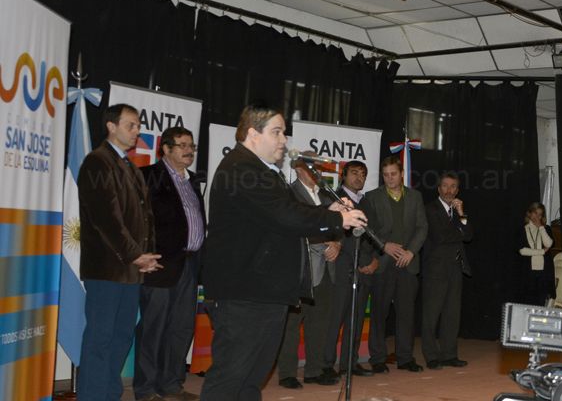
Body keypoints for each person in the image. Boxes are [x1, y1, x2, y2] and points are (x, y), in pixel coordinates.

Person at [199, 104, 367, 401]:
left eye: (284, 133)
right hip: (244, 292)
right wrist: (336, 219)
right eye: (276, 132)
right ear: (253, 133)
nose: (284, 140)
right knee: (230, 377)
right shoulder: (241, 168)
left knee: (252, 378)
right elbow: (284, 215)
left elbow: (289, 210)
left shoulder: (262, 171)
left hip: (263, 290)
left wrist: (328, 208)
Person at [77, 104, 161, 401]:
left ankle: (109, 394)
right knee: (100, 338)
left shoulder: (130, 166)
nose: (137, 131)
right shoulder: (97, 162)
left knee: (122, 336)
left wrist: (146, 256)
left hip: (130, 269)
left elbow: (144, 217)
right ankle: (92, 396)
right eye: (131, 125)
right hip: (106, 269)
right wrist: (135, 255)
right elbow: (106, 219)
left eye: (138, 125)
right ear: (111, 126)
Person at [134, 127, 206, 401]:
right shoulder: (148, 176)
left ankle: (172, 385)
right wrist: (143, 254)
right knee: (154, 327)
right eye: (182, 145)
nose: (189, 151)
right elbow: (136, 219)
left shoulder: (192, 181)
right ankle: (145, 389)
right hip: (160, 264)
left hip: (190, 263)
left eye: (191, 146)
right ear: (165, 148)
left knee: (181, 327)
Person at [276, 153, 341, 389]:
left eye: (319, 168)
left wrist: (337, 244)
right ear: (298, 169)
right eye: (312, 167)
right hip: (301, 268)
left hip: (326, 268)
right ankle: (287, 373)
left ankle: (314, 370)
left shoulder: (326, 195)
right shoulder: (289, 194)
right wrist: (323, 242)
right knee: (292, 324)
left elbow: (338, 226)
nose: (317, 172)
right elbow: (294, 227)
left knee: (320, 322)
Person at [363, 156, 428, 374]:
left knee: (406, 314)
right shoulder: (372, 197)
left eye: (393, 174)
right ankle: (377, 358)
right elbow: (367, 229)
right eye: (385, 175)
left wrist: (411, 251)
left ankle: (405, 358)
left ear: (401, 174)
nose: (390, 178)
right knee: (379, 313)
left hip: (408, 263)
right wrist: (384, 246)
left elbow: (422, 227)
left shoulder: (415, 197)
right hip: (383, 263)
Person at [322, 160, 375, 378]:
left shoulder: (367, 201)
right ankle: (326, 364)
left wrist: (373, 260)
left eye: (363, 174)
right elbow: (332, 233)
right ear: (343, 175)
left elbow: (372, 234)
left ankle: (349, 363)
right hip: (341, 266)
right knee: (335, 318)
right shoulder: (333, 198)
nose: (359, 178)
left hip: (363, 268)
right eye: (354, 173)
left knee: (356, 318)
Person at [421, 171, 473, 370]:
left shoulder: (458, 212)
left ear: (457, 190)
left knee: (452, 314)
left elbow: (469, 236)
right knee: (431, 314)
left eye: (453, 187)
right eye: (445, 186)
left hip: (455, 267)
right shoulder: (430, 209)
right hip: (435, 269)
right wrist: (459, 230)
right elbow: (440, 236)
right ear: (438, 188)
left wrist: (461, 214)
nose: (449, 190)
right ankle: (431, 356)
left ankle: (449, 354)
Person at [516, 202, 555, 306]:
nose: (537, 217)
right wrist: (542, 251)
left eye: (540, 214)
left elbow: (549, 244)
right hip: (528, 273)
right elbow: (522, 251)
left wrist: (541, 228)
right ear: (529, 213)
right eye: (535, 213)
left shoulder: (546, 228)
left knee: (541, 304)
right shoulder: (522, 229)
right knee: (527, 303)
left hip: (544, 273)